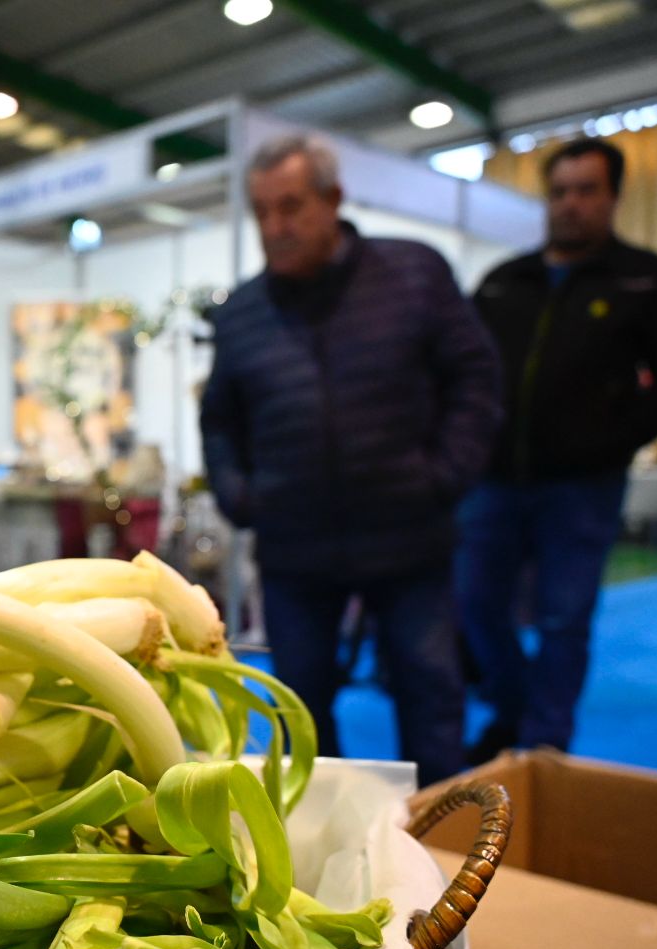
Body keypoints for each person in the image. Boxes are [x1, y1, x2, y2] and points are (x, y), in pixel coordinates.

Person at [200, 134, 501, 787]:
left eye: (291, 207)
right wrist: (241, 495)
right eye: (262, 212)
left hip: (409, 537)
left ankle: (443, 839)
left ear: (333, 200)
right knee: (299, 707)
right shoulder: (243, 314)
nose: (275, 227)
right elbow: (219, 418)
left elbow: (476, 379)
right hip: (294, 551)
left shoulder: (414, 273)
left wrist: (444, 474)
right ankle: (327, 840)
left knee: (429, 693)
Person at [462, 138, 657, 761]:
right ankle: (512, 711)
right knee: (475, 606)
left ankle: (546, 743)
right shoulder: (503, 283)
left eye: (586, 190)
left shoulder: (649, 281)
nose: (571, 204)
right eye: (560, 191)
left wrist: (611, 440)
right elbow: (464, 369)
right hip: (493, 482)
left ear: (613, 197)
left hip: (582, 488)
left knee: (563, 620)